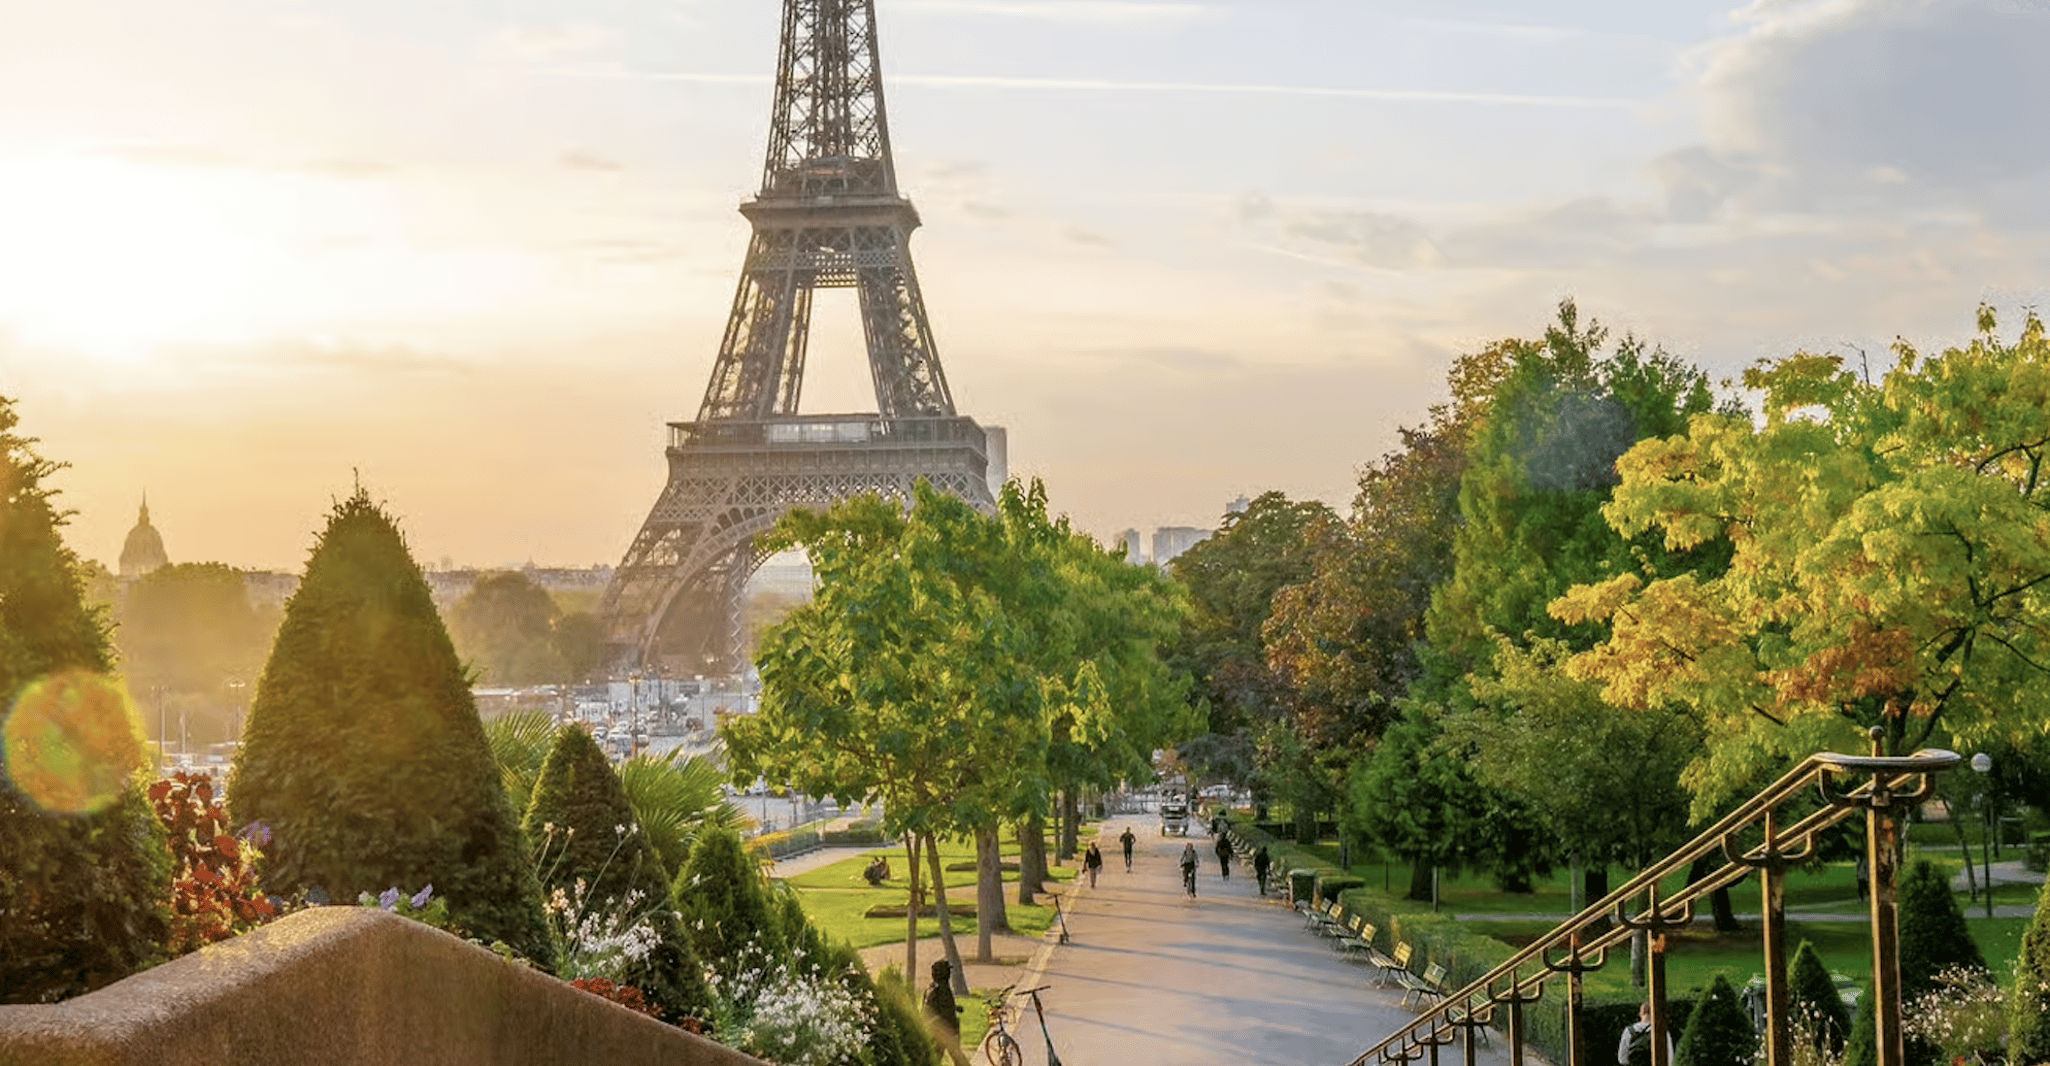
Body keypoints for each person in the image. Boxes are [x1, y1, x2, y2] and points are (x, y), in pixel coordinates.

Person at [1617, 1002, 1673, 1066]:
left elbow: (1622, 1058)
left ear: (1640, 1014)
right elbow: (1670, 1056)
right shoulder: (1661, 1031)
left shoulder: (1629, 1031)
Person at [925, 959, 962, 1041]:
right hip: (944, 1028)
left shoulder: (934, 987)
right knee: (954, 1052)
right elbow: (942, 1009)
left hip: (942, 1028)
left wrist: (955, 1008)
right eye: (947, 970)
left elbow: (945, 1005)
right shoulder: (941, 989)